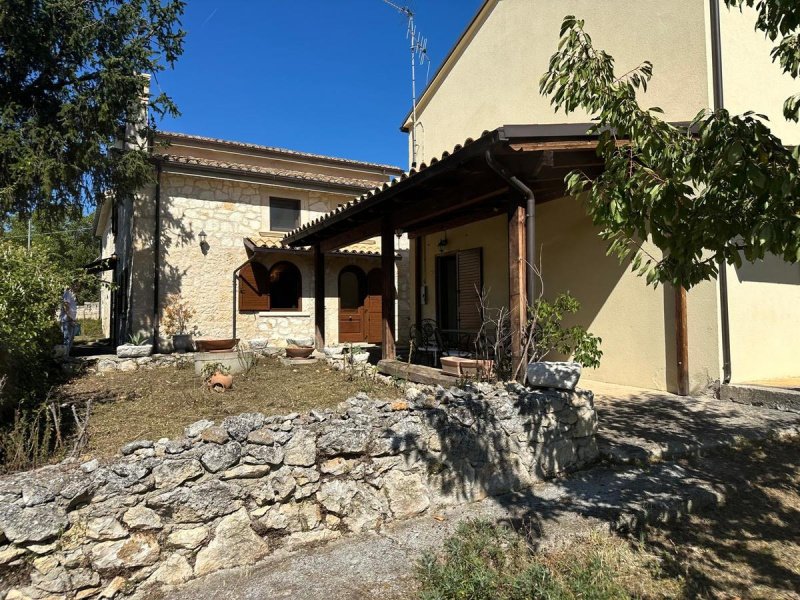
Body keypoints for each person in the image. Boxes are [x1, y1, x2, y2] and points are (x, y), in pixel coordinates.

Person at [60, 286, 78, 356]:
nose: (78, 287)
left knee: (70, 339)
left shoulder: (72, 294)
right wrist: (70, 318)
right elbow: (65, 306)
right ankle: (65, 357)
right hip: (67, 320)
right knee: (67, 339)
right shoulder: (67, 293)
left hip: (71, 320)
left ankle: (67, 356)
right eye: (77, 284)